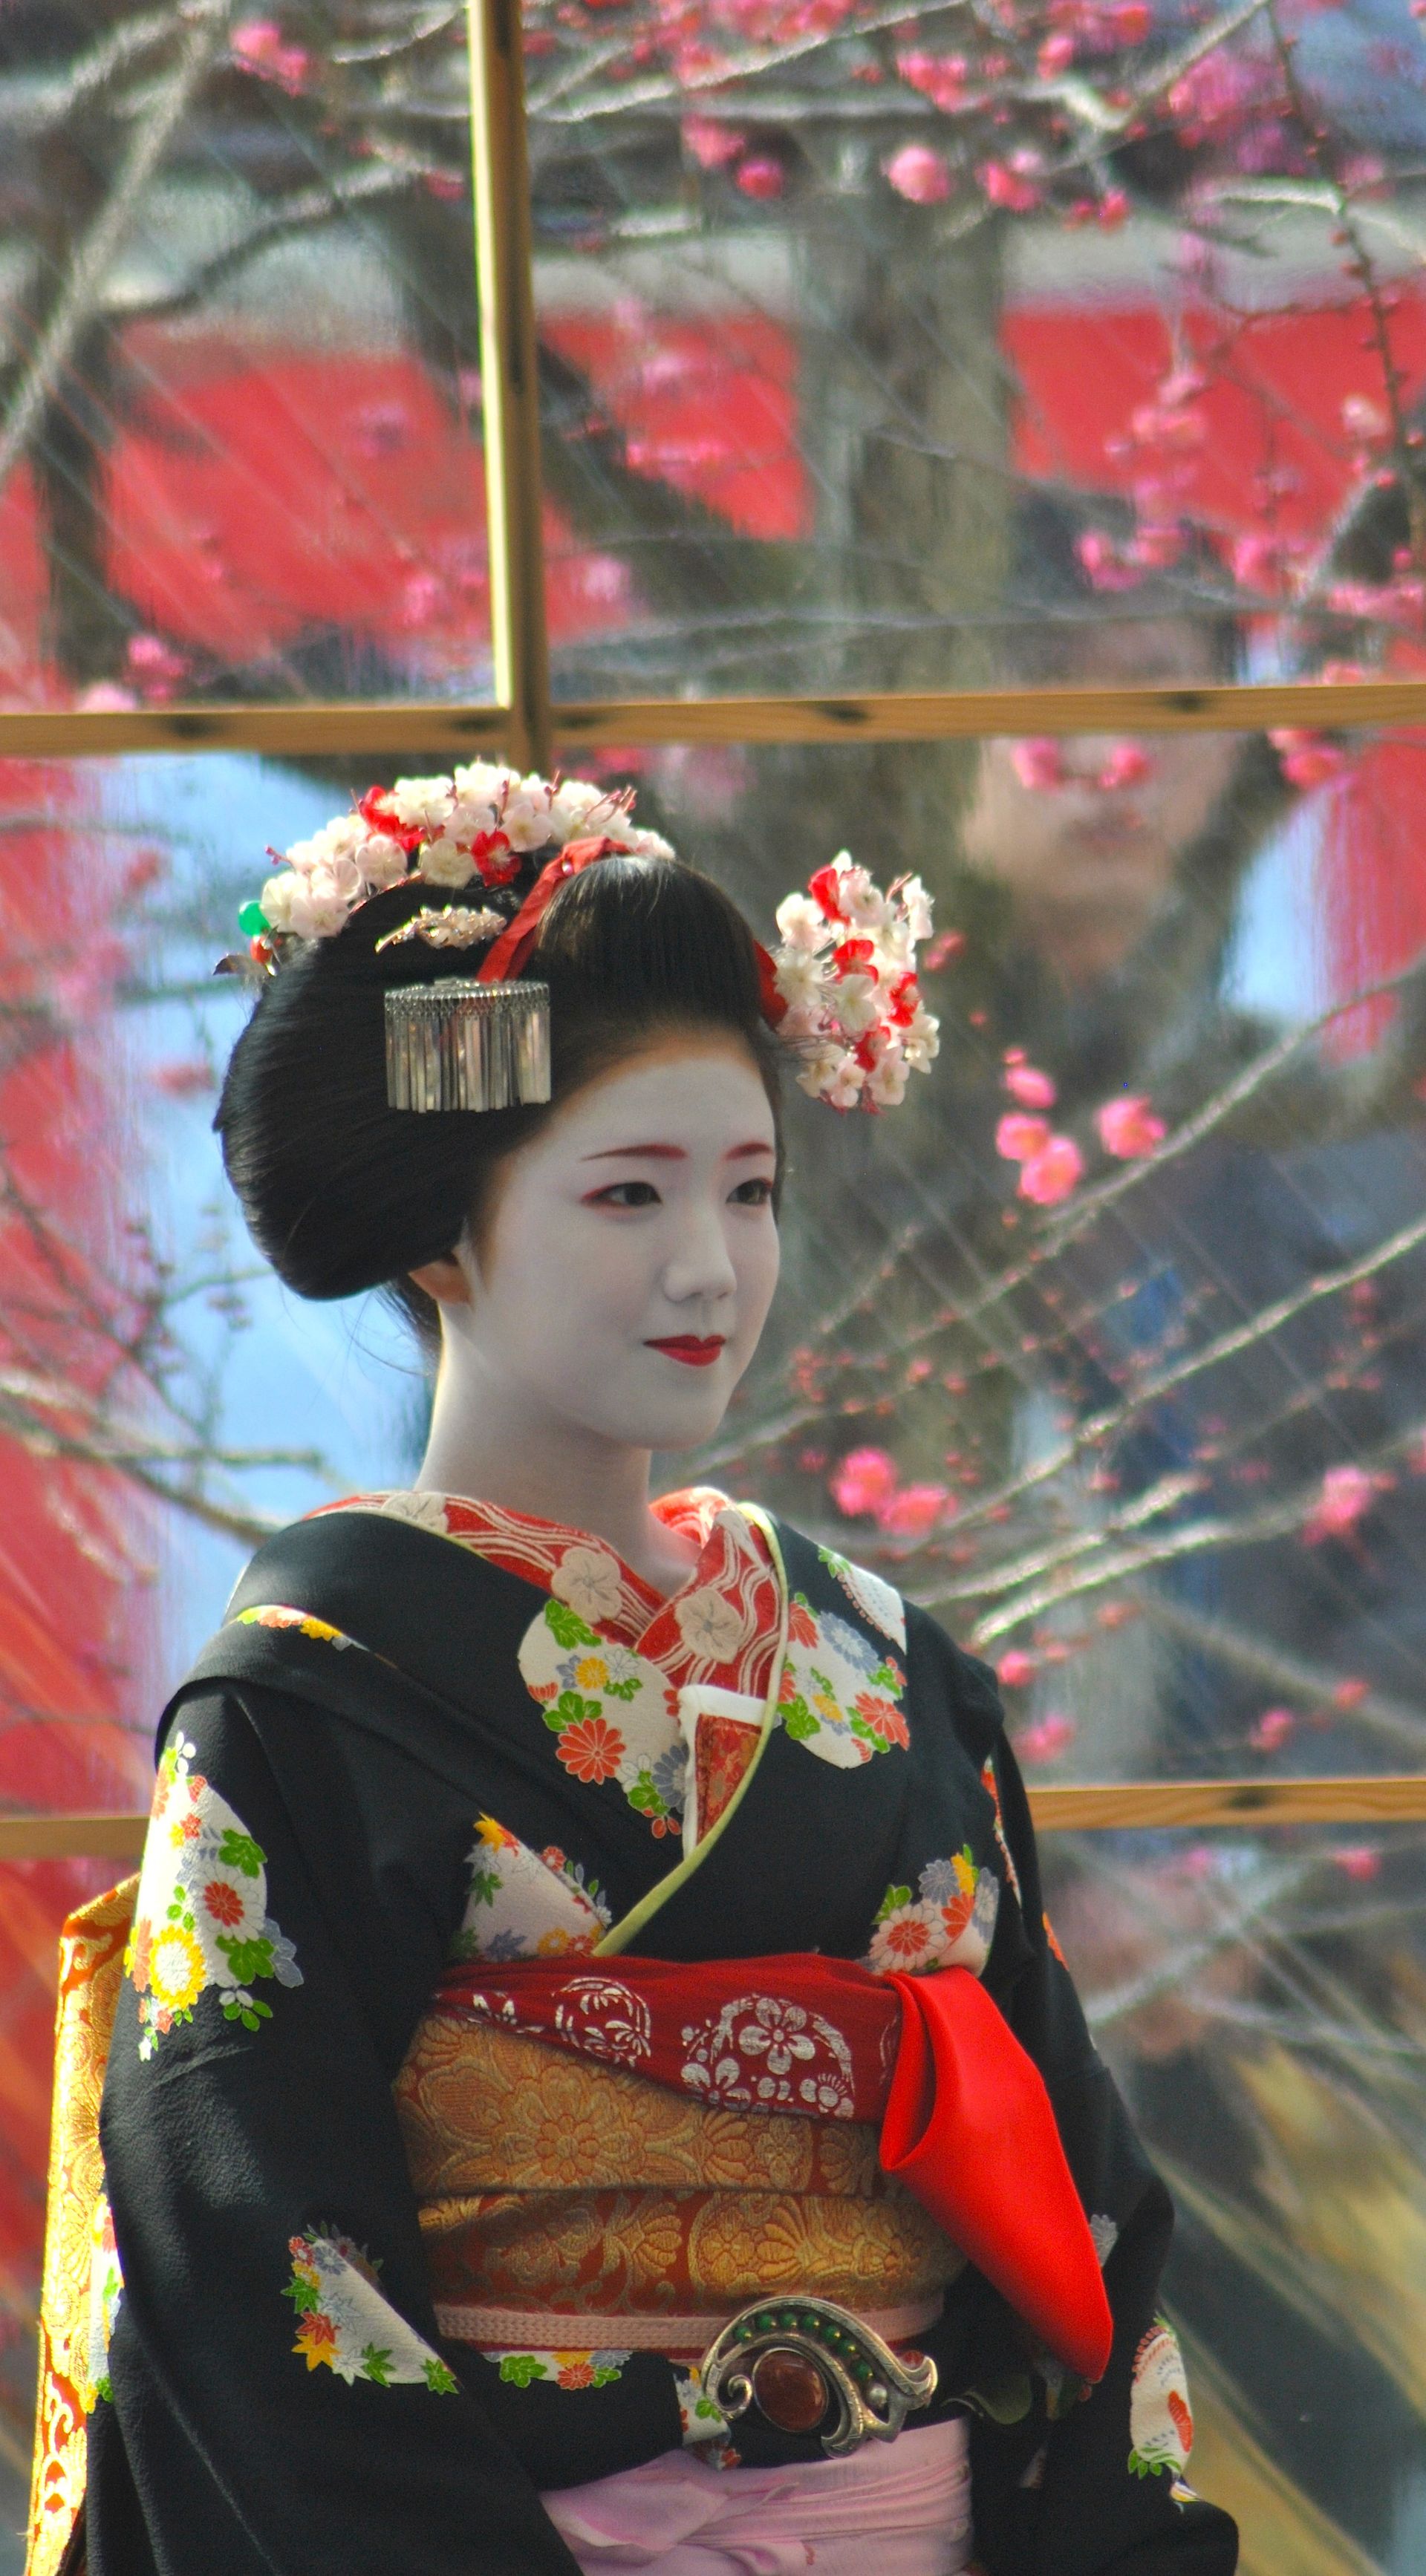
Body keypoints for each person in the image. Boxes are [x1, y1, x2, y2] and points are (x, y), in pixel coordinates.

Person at [62, 769, 1237, 2575]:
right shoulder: (306, 1702)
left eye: (750, 1190)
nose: (712, 1266)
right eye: (628, 1193)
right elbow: (243, 2258)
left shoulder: (889, 1669)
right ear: (440, 1228)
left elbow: (1081, 2207)